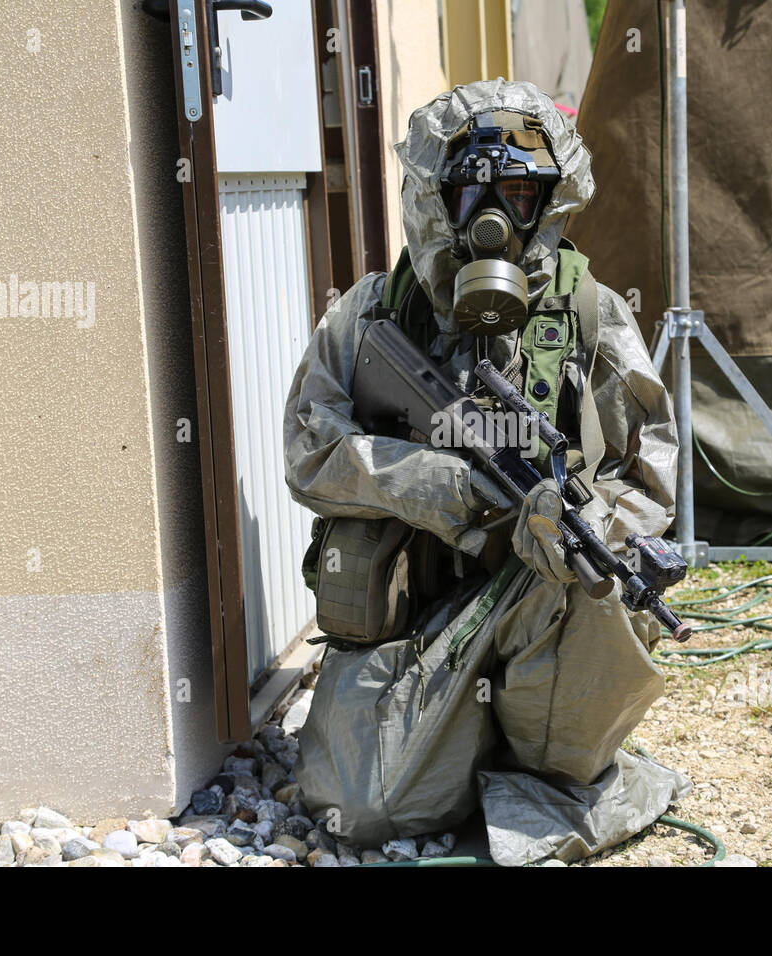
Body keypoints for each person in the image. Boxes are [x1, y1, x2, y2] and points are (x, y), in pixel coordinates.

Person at [282, 79, 689, 866]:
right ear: (440, 198)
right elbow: (309, 452)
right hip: (418, 613)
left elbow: (652, 473)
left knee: (594, 609)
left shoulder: (590, 313)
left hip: (539, 595)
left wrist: (585, 523)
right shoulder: (371, 314)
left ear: (548, 202)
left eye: (518, 192)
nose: (495, 216)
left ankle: (536, 747)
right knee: (362, 810)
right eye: (474, 190)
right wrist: (438, 485)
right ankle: (463, 743)